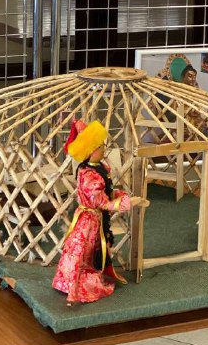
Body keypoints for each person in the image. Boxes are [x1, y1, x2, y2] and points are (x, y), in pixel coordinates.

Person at [52, 120, 148, 304]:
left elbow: (107, 192)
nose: (104, 149)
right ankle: (73, 283)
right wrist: (127, 202)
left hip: (96, 219)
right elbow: (102, 201)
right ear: (90, 151)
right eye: (100, 147)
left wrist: (120, 195)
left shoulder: (100, 168)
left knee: (88, 249)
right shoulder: (88, 175)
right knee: (81, 249)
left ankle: (79, 277)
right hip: (88, 220)